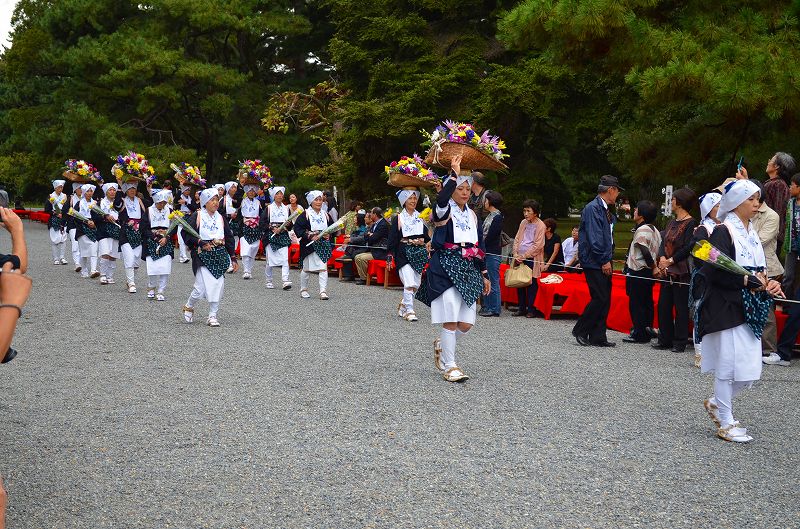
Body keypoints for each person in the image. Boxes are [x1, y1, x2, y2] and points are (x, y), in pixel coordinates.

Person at [696, 179, 783, 443]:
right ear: (736, 202)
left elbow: (758, 269)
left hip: (751, 307)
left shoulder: (752, 233)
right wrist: (744, 280)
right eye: (751, 199)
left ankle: (716, 403)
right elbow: (711, 268)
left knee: (749, 369)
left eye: (758, 199)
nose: (757, 203)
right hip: (726, 306)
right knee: (729, 367)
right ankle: (725, 421)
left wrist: (769, 282)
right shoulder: (724, 232)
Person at [421, 154, 490, 383]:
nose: (464, 192)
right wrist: (453, 172)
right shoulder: (444, 210)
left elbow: (479, 245)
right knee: (450, 317)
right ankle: (450, 366)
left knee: (467, 323)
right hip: (446, 264)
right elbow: (440, 199)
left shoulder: (472, 214)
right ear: (451, 189)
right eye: (460, 188)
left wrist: (484, 273)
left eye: (467, 189)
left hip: (468, 266)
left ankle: (443, 343)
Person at [572, 175, 621, 347]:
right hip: (594, 260)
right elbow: (595, 238)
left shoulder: (604, 208)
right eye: (617, 191)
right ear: (610, 190)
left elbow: (606, 235)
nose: (617, 195)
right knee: (600, 297)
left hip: (601, 259)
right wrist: (604, 260)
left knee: (605, 298)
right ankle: (580, 329)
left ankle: (598, 336)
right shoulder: (593, 208)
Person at [181, 189, 238, 326]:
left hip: (219, 254)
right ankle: (189, 305)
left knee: (217, 284)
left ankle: (212, 315)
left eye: (217, 200)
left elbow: (229, 238)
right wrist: (200, 242)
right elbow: (186, 233)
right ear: (205, 202)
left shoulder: (221, 217)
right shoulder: (198, 215)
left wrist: (233, 257)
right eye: (212, 200)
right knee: (200, 287)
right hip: (202, 254)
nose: (215, 203)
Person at [653, 187, 697, 353]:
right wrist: (663, 258)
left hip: (681, 270)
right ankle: (665, 338)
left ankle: (680, 341)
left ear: (680, 202)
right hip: (667, 270)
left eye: (673, 199)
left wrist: (671, 260)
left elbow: (688, 246)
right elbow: (664, 241)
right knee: (663, 305)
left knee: (680, 307)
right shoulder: (671, 222)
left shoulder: (691, 223)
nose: (671, 202)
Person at [766, 173, 800, 367]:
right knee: (789, 279)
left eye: (793, 185)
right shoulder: (791, 204)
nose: (790, 188)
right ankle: (784, 352)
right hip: (793, 248)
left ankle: (784, 352)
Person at [750, 182, 783, 360]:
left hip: (767, 267)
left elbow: (758, 241)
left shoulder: (771, 215)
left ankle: (770, 349)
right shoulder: (746, 213)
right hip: (749, 267)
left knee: (766, 308)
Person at [387, 187, 430, 322]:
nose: (413, 201)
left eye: (415, 198)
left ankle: (404, 305)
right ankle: (410, 311)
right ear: (404, 201)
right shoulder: (399, 218)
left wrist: (426, 241)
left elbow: (427, 237)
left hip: (418, 252)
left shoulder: (421, 216)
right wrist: (389, 255)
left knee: (416, 284)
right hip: (403, 252)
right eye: (410, 198)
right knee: (409, 283)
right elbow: (392, 238)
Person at [690, 191, 722, 367]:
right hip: (704, 275)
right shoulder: (704, 228)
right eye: (716, 206)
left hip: (719, 276)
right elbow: (699, 254)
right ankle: (700, 353)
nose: (719, 209)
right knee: (700, 312)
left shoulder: (724, 226)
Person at [622, 200, 661, 343]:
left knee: (636, 303)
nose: (634, 211)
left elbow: (644, 249)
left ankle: (639, 333)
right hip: (647, 272)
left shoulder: (642, 229)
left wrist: (653, 266)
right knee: (646, 302)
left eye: (636, 210)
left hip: (639, 270)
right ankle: (646, 329)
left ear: (642, 214)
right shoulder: (655, 230)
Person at [740, 152, 795, 253]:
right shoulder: (775, 183)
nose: (768, 162)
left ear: (777, 166)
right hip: (768, 233)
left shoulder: (778, 185)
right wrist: (746, 181)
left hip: (769, 235)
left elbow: (776, 211)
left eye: (771, 160)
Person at [293, 190, 333, 299]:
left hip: (322, 245)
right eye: (316, 200)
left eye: (320, 200)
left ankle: (323, 291)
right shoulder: (305, 214)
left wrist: (328, 234)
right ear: (311, 201)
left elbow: (331, 228)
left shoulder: (326, 214)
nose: (319, 202)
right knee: (307, 268)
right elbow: (297, 228)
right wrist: (310, 235)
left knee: (323, 268)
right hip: (309, 245)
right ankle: (303, 289)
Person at [512, 199, 545, 318]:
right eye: (524, 210)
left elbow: (538, 245)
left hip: (532, 258)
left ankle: (531, 309)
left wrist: (524, 255)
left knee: (531, 284)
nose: (525, 213)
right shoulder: (523, 223)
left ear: (535, 213)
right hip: (519, 256)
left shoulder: (541, 225)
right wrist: (516, 253)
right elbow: (516, 238)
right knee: (519, 282)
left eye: (528, 211)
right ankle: (521, 308)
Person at [118, 181, 150, 294]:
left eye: (134, 188)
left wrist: (149, 189)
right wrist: (120, 186)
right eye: (129, 188)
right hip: (126, 232)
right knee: (130, 258)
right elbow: (117, 206)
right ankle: (131, 283)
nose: (132, 191)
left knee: (136, 261)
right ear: (126, 190)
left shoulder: (140, 200)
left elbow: (151, 203)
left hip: (138, 232)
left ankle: (130, 280)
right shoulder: (122, 200)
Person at [142, 190, 174, 301]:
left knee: (165, 267)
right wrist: (154, 237)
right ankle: (151, 286)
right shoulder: (148, 211)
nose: (162, 205)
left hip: (166, 239)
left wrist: (167, 237)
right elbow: (144, 228)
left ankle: (161, 291)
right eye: (160, 202)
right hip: (152, 239)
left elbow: (173, 227)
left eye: (164, 202)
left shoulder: (170, 210)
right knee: (153, 267)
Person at [262, 186, 292, 290]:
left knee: (285, 259)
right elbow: (262, 223)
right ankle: (269, 280)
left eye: (281, 194)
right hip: (271, 235)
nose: (279, 196)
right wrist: (272, 228)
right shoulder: (269, 208)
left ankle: (285, 280)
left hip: (283, 235)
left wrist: (287, 225)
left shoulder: (286, 208)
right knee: (270, 260)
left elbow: (290, 224)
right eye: (277, 194)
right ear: (273, 196)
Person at [479, 190, 504, 317]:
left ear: (490, 201)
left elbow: (491, 236)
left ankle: (495, 308)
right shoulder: (490, 215)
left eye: (486, 200)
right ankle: (488, 306)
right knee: (487, 279)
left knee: (493, 280)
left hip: (492, 252)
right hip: (486, 252)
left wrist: (481, 245)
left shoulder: (497, 217)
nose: (484, 202)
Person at [94, 182, 121, 285]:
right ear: (106, 191)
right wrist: (105, 216)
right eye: (110, 190)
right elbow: (95, 217)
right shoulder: (100, 203)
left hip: (116, 230)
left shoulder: (119, 203)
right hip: (104, 230)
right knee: (105, 252)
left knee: (113, 254)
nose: (112, 192)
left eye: (114, 190)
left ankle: (110, 275)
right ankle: (103, 275)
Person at [354, 207, 389, 285]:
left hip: (380, 252)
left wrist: (370, 235)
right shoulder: (375, 224)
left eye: (371, 213)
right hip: (373, 249)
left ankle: (364, 278)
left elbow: (373, 238)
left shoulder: (383, 224)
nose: (370, 215)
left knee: (360, 258)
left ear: (375, 215)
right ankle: (364, 277)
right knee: (357, 256)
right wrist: (370, 235)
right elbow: (367, 236)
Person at [237, 184, 264, 280]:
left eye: (253, 191)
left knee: (253, 249)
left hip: (256, 227)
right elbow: (237, 197)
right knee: (246, 249)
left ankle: (249, 269)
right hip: (245, 226)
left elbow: (262, 214)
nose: (251, 193)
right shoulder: (242, 201)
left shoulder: (258, 202)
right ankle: (246, 271)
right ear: (246, 192)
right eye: (249, 191)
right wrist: (241, 184)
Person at [75, 183, 101, 279]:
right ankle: (84, 270)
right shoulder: (79, 204)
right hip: (82, 229)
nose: (89, 193)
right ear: (84, 193)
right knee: (84, 251)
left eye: (91, 191)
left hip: (94, 229)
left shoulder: (96, 203)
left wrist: (94, 222)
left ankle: (93, 270)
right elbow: (75, 216)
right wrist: (86, 221)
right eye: (87, 191)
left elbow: (100, 215)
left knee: (94, 249)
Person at [339, 210, 369, 282]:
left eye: (355, 219)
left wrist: (350, 239)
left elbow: (361, 238)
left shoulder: (363, 228)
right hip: (356, 246)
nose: (354, 220)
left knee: (349, 255)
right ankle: (348, 275)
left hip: (362, 247)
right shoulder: (357, 227)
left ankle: (349, 276)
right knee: (348, 252)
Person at [44, 179, 68, 265]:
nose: (60, 189)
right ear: (55, 188)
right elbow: (46, 209)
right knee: (54, 239)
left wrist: (63, 213)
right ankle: (55, 258)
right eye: (59, 187)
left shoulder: (65, 196)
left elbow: (67, 207)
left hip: (63, 219)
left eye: (61, 187)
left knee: (63, 239)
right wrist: (54, 212)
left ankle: (62, 257)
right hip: (54, 219)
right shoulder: (51, 196)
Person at [176, 184, 198, 263]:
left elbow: (194, 208)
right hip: (180, 217)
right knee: (180, 236)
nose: (188, 191)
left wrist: (186, 203)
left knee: (187, 235)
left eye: (189, 190)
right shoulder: (179, 196)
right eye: (186, 190)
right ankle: (183, 256)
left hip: (189, 218)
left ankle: (183, 255)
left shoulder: (190, 199)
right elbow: (175, 203)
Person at [66, 183, 84, 271]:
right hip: (73, 224)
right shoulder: (71, 199)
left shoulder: (88, 198)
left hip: (84, 224)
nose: (81, 190)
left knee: (83, 243)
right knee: (75, 243)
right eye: (79, 188)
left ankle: (82, 261)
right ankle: (77, 263)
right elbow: (65, 211)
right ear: (75, 190)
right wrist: (62, 225)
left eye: (82, 188)